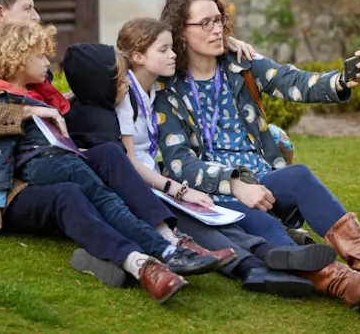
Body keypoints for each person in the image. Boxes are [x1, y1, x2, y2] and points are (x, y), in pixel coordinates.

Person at [0, 0, 195, 304]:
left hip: (35, 164)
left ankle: (168, 238)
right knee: (68, 193)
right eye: (27, 8)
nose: (36, 16)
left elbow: (48, 113)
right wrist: (30, 111)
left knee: (109, 154)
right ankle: (140, 264)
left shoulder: (21, 56)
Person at [154, 0, 360, 311]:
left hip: (266, 180)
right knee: (270, 230)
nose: (217, 29)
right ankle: (345, 284)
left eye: (219, 20)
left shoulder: (239, 64)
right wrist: (234, 183)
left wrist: (339, 82)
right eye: (205, 23)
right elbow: (179, 164)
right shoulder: (167, 91)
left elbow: (290, 80)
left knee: (298, 176)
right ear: (180, 33)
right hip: (217, 199)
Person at [63, 37, 338, 297]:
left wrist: (230, 42)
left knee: (209, 216)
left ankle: (268, 253)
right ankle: (254, 265)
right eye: (118, 79)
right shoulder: (107, 113)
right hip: (132, 195)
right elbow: (126, 166)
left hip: (145, 186)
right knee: (194, 222)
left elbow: (151, 47)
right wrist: (176, 190)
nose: (172, 54)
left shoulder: (127, 92)